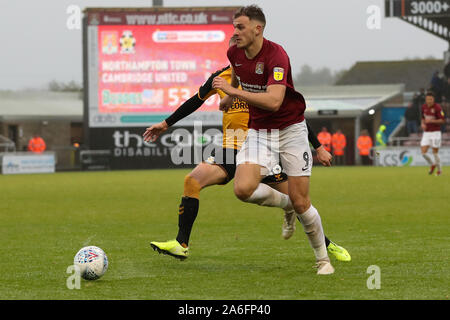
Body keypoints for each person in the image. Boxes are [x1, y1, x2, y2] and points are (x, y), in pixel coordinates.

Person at [144, 52, 350, 263]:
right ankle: (181, 244)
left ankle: (326, 244)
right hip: (230, 148)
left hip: (262, 149)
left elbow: (294, 116)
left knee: (299, 202)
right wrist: (165, 124)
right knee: (192, 181)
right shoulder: (219, 78)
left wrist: (318, 147)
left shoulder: (265, 79)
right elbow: (194, 102)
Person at [212, 5, 337, 274]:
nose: (235, 32)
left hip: (291, 130)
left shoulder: (276, 55)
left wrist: (232, 91)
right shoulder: (234, 51)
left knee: (303, 201)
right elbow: (238, 78)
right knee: (242, 189)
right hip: (259, 132)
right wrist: (229, 97)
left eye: (240, 27)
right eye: (234, 26)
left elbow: (273, 101)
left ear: (258, 29)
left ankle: (322, 260)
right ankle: (288, 206)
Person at [420, 92, 445, 175]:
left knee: (435, 153)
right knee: (423, 153)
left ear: (433, 99)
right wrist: (423, 124)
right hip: (426, 133)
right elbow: (423, 118)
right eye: (427, 99)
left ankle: (439, 171)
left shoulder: (438, 108)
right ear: (425, 100)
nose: (429, 101)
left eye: (430, 99)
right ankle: (433, 164)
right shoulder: (423, 107)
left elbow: (442, 120)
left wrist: (431, 121)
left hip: (436, 132)